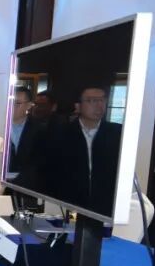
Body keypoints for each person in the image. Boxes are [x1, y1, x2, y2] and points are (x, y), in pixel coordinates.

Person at [50, 84, 123, 218]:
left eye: (102, 100)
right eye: (91, 100)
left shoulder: (118, 133)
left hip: (106, 206)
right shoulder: (60, 134)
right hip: (68, 205)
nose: (99, 105)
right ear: (78, 106)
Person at [6, 86, 48, 198]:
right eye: (9, 102)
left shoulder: (41, 129)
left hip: (29, 189)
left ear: (29, 105)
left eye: (17, 103)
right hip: (1, 188)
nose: (11, 107)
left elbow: (41, 162)